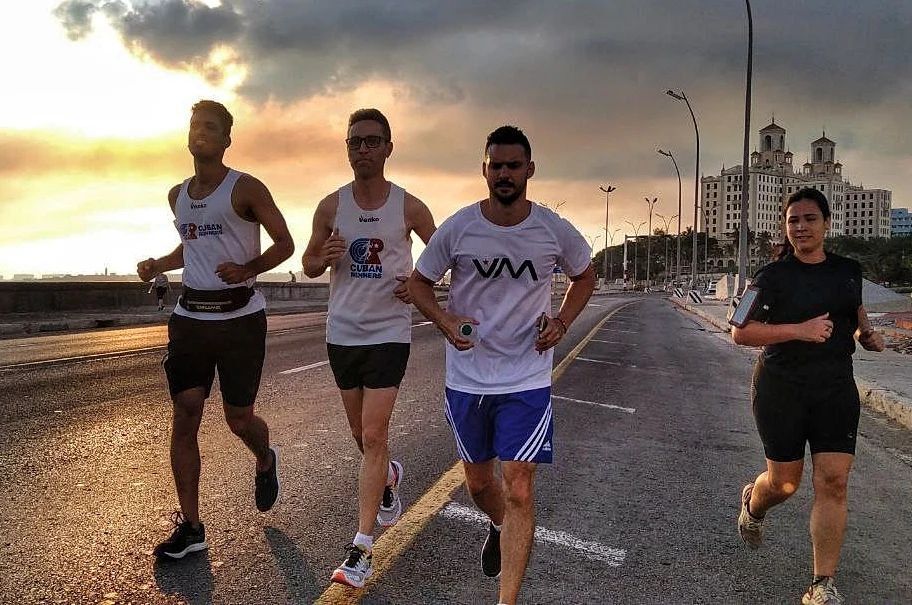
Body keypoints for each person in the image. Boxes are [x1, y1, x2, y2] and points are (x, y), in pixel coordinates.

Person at [408, 125, 596, 605]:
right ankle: (496, 525)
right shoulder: (460, 227)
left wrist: (563, 322)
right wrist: (446, 321)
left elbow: (585, 273)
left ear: (530, 170)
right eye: (497, 166)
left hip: (526, 378)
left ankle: (506, 599)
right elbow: (418, 284)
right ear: (484, 169)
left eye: (514, 165)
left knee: (519, 488)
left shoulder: (551, 229)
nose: (505, 174)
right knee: (478, 482)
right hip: (468, 378)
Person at [137, 100, 295, 561]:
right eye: (195, 125)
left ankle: (265, 459)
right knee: (186, 414)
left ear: (227, 140)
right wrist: (157, 265)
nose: (200, 132)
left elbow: (284, 243)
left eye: (211, 127)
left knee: (237, 419)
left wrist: (247, 267)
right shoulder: (177, 194)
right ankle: (191, 526)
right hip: (190, 319)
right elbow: (192, 247)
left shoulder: (245, 188)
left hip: (240, 319)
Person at [301, 108, 436, 588]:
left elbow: (439, 256)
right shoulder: (330, 206)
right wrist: (324, 256)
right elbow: (310, 262)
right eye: (355, 141)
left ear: (388, 147)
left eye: (372, 141)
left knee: (375, 434)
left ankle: (360, 549)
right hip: (342, 333)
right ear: (348, 147)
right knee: (362, 435)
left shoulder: (409, 207)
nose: (363, 149)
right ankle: (388, 478)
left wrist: (418, 285)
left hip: (388, 332)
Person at [731, 187, 885, 605]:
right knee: (784, 484)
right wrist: (799, 330)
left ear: (827, 223)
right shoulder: (770, 277)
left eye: (810, 219)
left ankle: (822, 584)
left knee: (833, 482)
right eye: (793, 220)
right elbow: (739, 331)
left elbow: (853, 315)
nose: (801, 227)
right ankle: (754, 503)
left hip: (835, 390)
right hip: (782, 388)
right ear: (786, 227)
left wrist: (866, 336)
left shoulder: (848, 271)